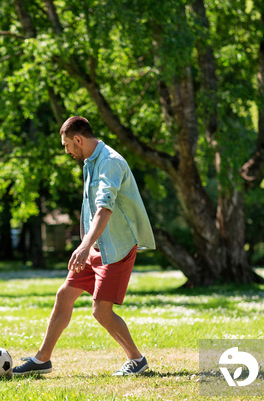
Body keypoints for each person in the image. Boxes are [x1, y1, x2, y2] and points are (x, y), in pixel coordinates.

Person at [12, 116, 156, 377]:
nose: (67, 151)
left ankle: (137, 360)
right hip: (94, 246)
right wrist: (87, 245)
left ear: (78, 139)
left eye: (67, 145)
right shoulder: (91, 161)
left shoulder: (110, 162)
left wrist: (83, 245)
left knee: (101, 311)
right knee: (64, 295)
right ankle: (42, 359)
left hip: (116, 247)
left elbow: (104, 208)